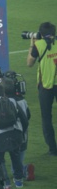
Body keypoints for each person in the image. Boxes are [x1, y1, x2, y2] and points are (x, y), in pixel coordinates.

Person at [27, 21, 57, 156]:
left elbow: (29, 63)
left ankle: (52, 149)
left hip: (45, 85)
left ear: (40, 33)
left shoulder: (38, 45)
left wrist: (31, 45)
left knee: (46, 118)